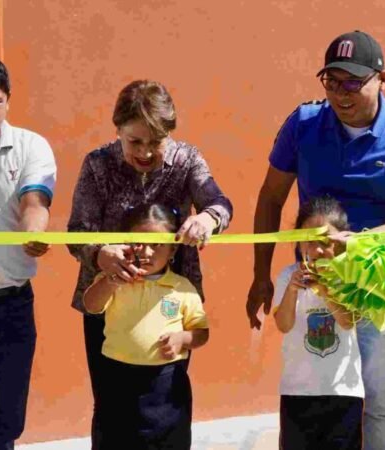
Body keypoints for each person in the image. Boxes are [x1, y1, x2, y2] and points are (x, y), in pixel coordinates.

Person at [247, 30, 385, 449]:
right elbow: (270, 197)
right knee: (318, 396)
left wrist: (360, 243)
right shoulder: (302, 122)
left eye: (353, 82)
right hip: (316, 286)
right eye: (332, 81)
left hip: (381, 291)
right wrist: (261, 274)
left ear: (382, 78)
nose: (341, 93)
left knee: (379, 403)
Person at [67, 79, 232, 449]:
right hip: (108, 297)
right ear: (118, 131)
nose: (144, 152)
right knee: (110, 404)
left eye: (155, 142)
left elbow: (220, 203)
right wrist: (99, 254)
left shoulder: (188, 160)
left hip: (171, 299)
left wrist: (208, 219)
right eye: (134, 141)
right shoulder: (97, 165)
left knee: (166, 400)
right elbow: (78, 230)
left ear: (169, 133)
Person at [0, 51, 57, 449]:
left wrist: (34, 233)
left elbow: (35, 202)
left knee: (4, 426)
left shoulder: (30, 146)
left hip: (11, 309)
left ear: (8, 99)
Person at [83, 203, 209, 449]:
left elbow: (201, 333)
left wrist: (183, 338)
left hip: (165, 387)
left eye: (157, 244)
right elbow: (91, 305)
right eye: (139, 242)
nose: (147, 252)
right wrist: (110, 281)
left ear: (173, 249)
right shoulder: (115, 279)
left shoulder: (182, 288)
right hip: (116, 381)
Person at [273, 196, 363, 450]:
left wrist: (326, 290)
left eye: (326, 242)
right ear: (299, 241)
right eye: (311, 241)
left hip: (343, 391)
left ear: (341, 242)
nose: (318, 249)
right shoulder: (287, 276)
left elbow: (347, 322)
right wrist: (291, 290)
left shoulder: (349, 276)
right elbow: (283, 325)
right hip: (297, 391)